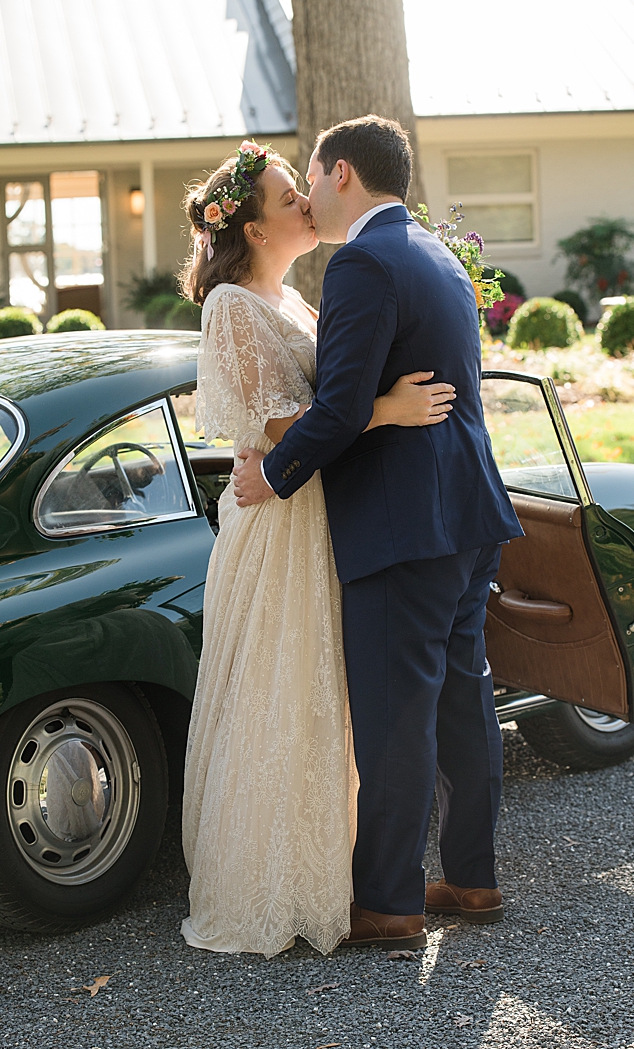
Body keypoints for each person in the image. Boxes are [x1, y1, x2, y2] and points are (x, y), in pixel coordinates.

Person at [230, 116, 524, 949]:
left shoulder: (363, 261)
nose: (309, 195)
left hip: (404, 520)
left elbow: (339, 406)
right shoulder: (432, 251)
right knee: (464, 699)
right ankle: (472, 877)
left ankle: (389, 902)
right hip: (467, 512)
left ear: (343, 173)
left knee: (396, 711)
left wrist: (273, 476)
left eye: (314, 178)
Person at [180, 142, 456, 957]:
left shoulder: (297, 300)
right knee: (278, 689)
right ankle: (263, 882)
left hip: (320, 513)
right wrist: (389, 411)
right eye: (287, 193)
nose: (306, 198)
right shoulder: (233, 305)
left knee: (320, 696)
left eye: (304, 186)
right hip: (277, 525)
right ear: (254, 226)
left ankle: (323, 871)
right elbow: (272, 429)